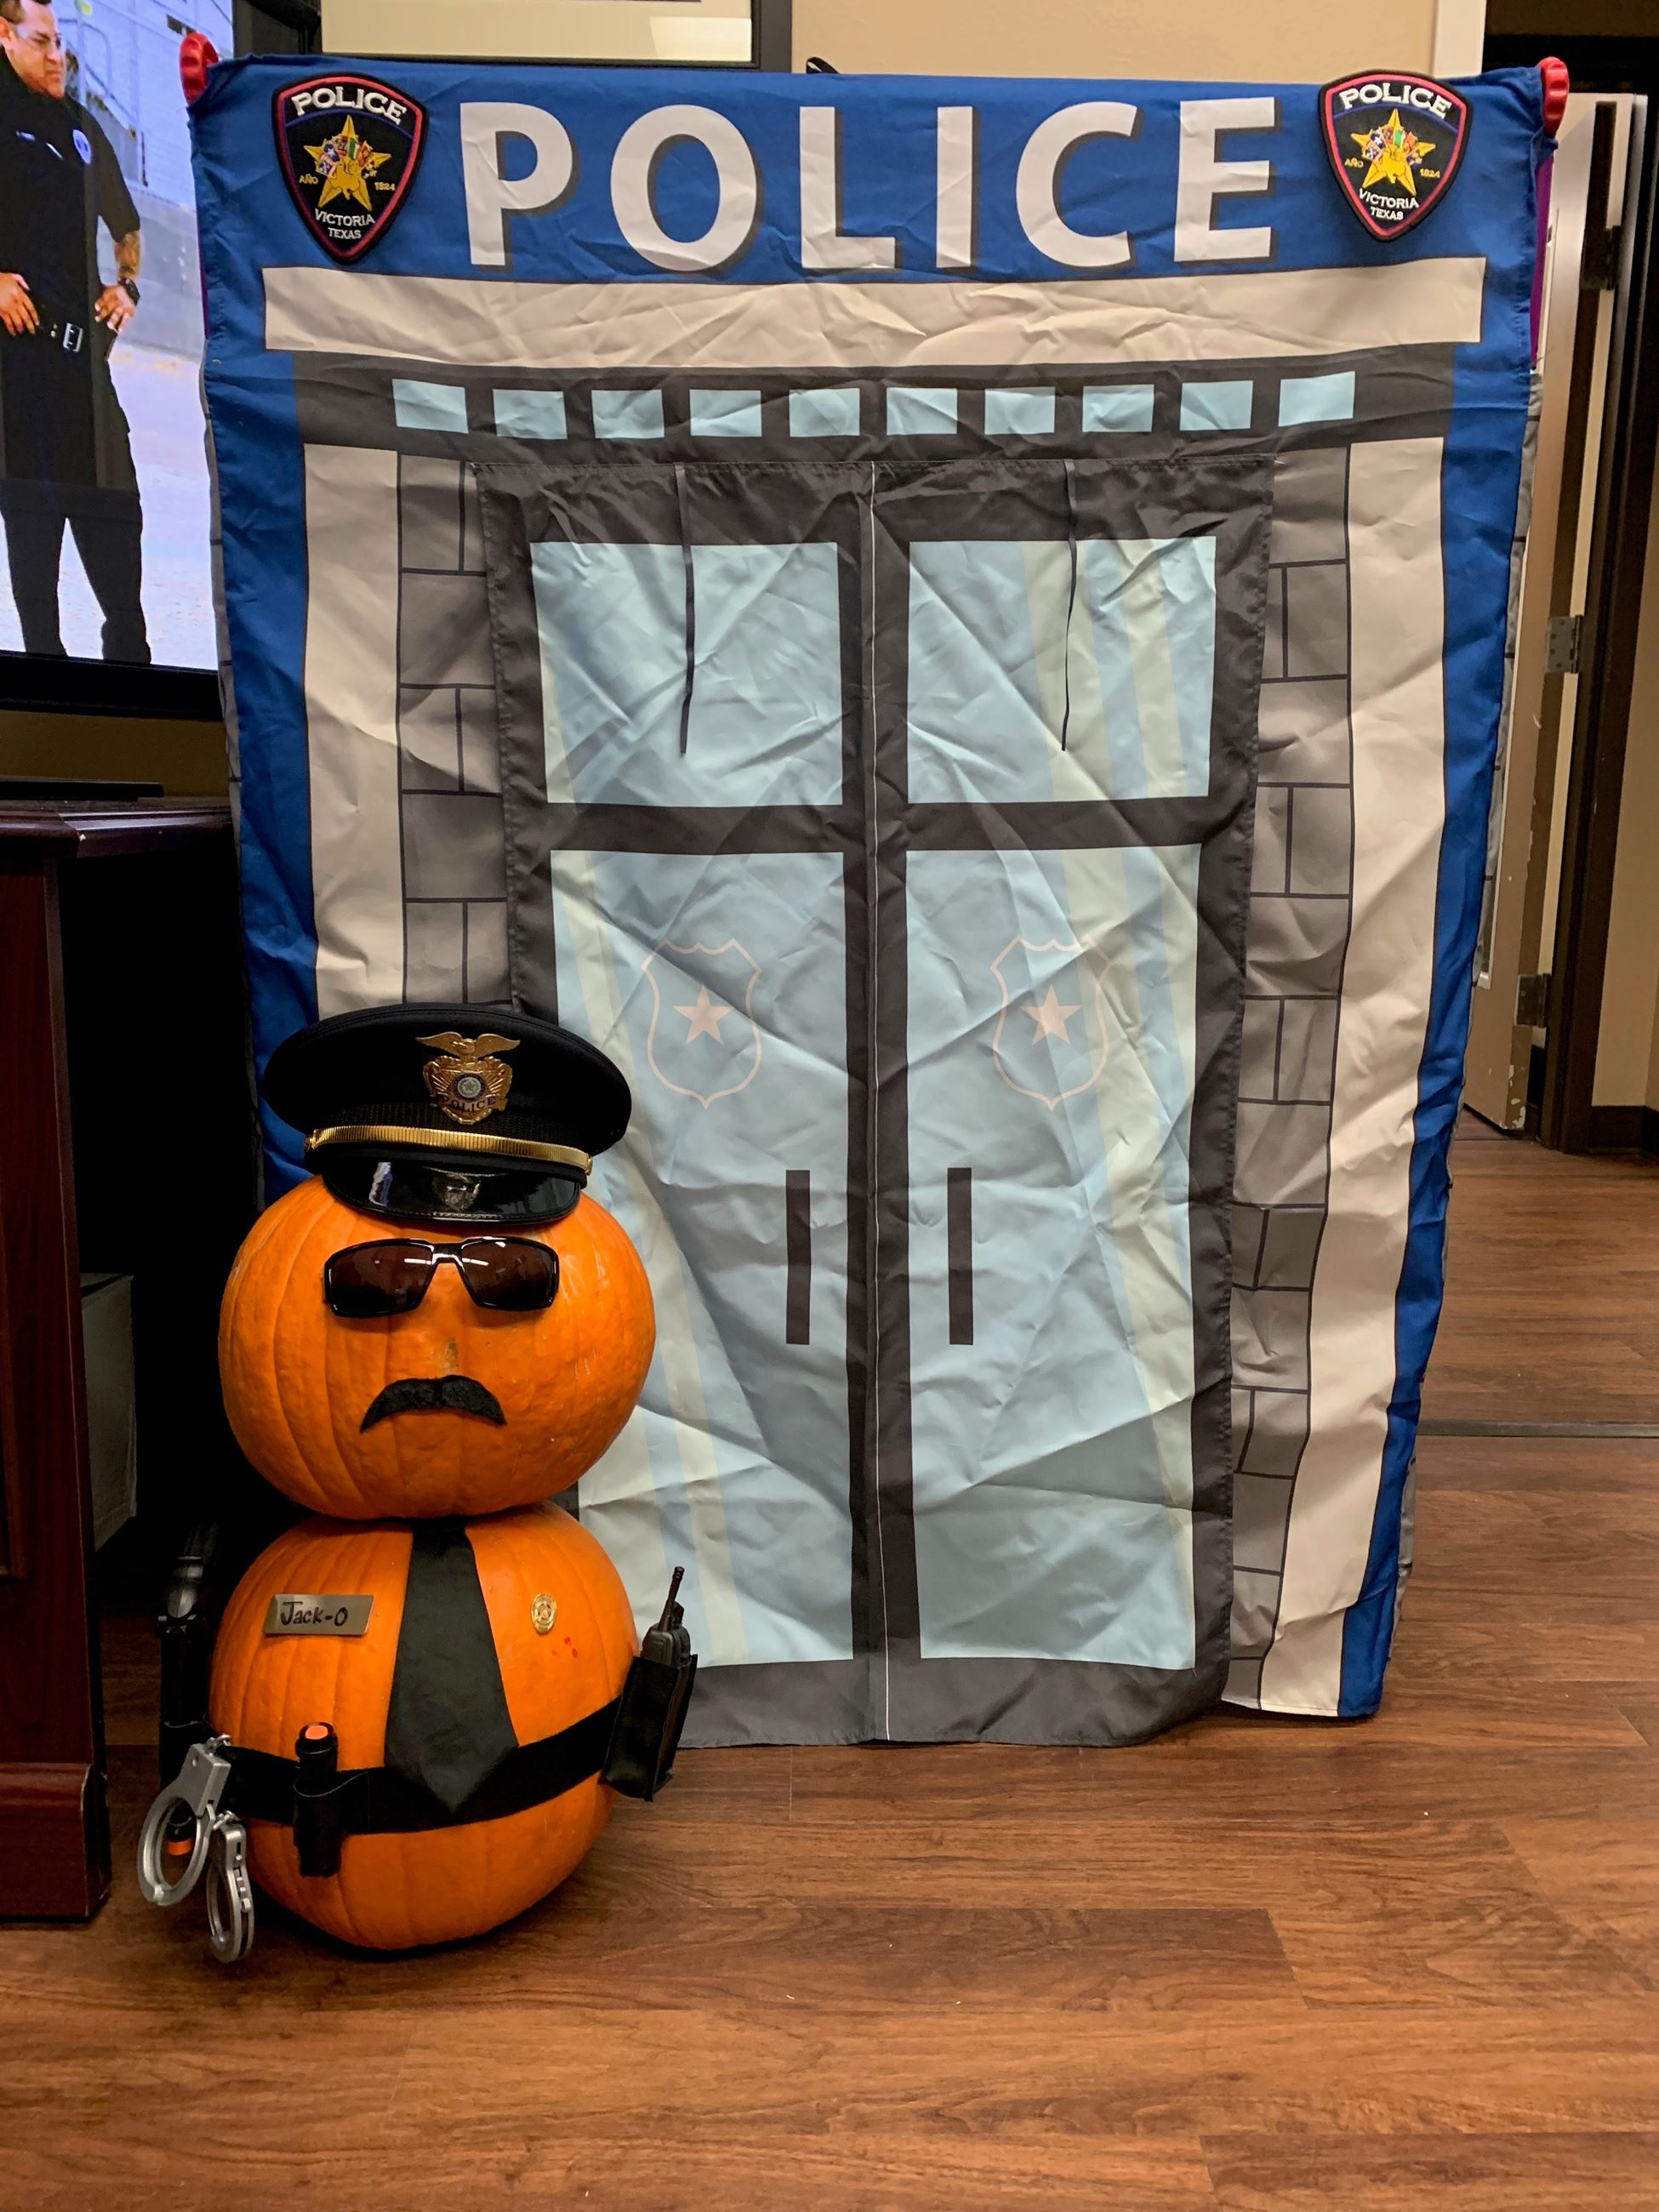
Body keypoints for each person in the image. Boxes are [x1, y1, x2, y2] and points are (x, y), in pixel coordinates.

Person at [0, 0, 149, 663]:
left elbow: (128, 225)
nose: (57, 55)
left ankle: (135, 680)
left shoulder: (81, 125)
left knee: (119, 524)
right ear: (4, 37)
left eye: (60, 42)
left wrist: (128, 286)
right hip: (17, 372)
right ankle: (44, 689)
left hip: (85, 373)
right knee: (36, 553)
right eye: (41, 41)